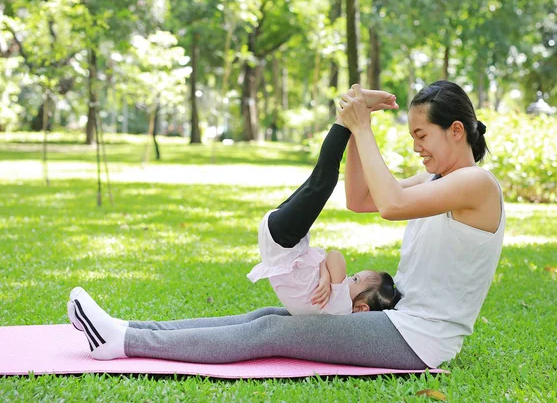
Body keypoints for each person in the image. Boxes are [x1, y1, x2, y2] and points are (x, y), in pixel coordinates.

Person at [67, 81, 504, 369]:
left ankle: (122, 342)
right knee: (267, 314)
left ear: (457, 131)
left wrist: (363, 127)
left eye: (421, 136)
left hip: (420, 340)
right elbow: (361, 200)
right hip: (401, 321)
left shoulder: (478, 185)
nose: (416, 148)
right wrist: (354, 130)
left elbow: (391, 204)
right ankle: (127, 330)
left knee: (273, 331)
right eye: (412, 138)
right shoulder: (440, 180)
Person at [246, 119, 401, 315]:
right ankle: (348, 121)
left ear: (362, 307)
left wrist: (327, 276)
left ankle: (345, 121)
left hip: (284, 244)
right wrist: (325, 274)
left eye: (354, 279)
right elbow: (326, 259)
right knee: (319, 180)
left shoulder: (342, 307)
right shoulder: (335, 306)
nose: (348, 279)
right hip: (284, 243)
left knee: (324, 180)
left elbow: (335, 256)